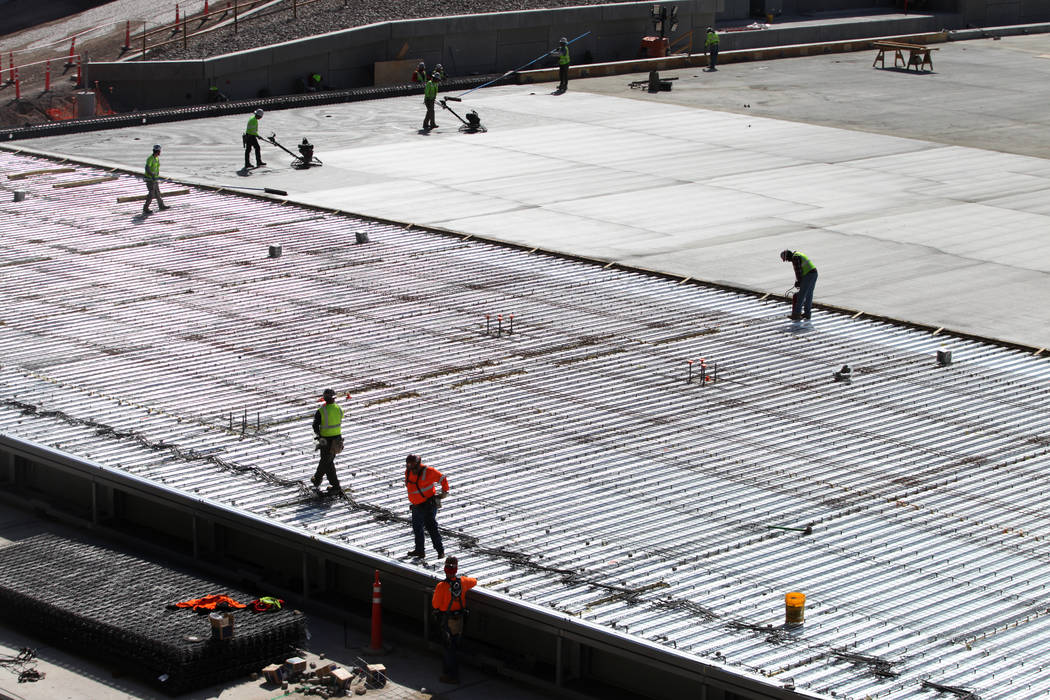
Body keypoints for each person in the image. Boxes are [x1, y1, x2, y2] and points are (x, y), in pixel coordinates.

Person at [432, 555, 476, 684]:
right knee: (455, 646)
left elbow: (436, 605)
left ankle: (451, 675)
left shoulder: (441, 586)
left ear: (445, 570)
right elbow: (474, 581)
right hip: (460, 621)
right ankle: (452, 674)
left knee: (449, 649)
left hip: (448, 621)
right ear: (456, 570)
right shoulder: (463, 582)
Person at [404, 454, 448, 558]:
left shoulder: (428, 471)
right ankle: (420, 551)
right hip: (416, 506)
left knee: (431, 527)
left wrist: (444, 492)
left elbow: (442, 478)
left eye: (412, 464)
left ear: (418, 464)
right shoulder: (408, 472)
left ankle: (440, 551)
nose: (410, 466)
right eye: (408, 464)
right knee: (417, 528)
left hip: (428, 505)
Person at [311, 388, 344, 493]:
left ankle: (318, 479)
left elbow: (315, 425)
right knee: (328, 462)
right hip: (337, 440)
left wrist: (318, 435)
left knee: (326, 461)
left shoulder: (321, 411)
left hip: (325, 440)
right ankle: (334, 485)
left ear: (324, 398)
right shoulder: (339, 409)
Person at [781, 249, 818, 321]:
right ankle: (807, 314)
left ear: (788, 256)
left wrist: (798, 282)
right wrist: (798, 281)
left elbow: (798, 271)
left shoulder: (795, 258)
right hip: (814, 273)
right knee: (809, 295)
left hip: (809, 275)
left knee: (801, 295)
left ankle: (796, 315)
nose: (788, 261)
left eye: (787, 259)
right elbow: (800, 271)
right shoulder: (797, 254)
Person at [142, 144, 169, 215]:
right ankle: (145, 208)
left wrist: (157, 176)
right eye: (160, 151)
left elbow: (156, 169)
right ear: (157, 151)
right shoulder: (150, 159)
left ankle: (161, 205)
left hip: (155, 179)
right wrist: (152, 175)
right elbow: (147, 168)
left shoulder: (156, 158)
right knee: (151, 194)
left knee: (157, 192)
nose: (160, 152)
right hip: (150, 180)